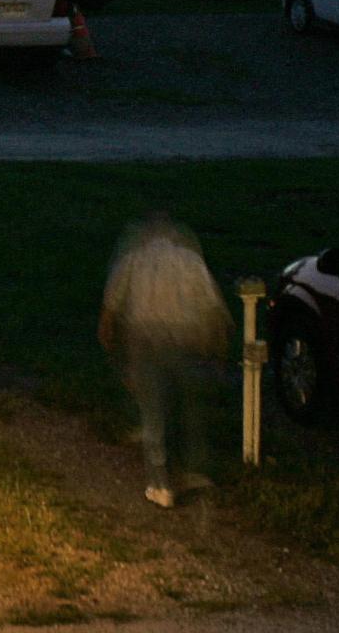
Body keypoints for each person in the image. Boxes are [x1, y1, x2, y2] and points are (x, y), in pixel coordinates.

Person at [99, 214, 231, 507]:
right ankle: (195, 469)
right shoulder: (191, 261)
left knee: (153, 414)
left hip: (145, 338)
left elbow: (111, 308)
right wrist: (218, 350)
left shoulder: (133, 259)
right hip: (186, 338)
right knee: (190, 406)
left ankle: (160, 485)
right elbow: (212, 308)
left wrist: (113, 350)